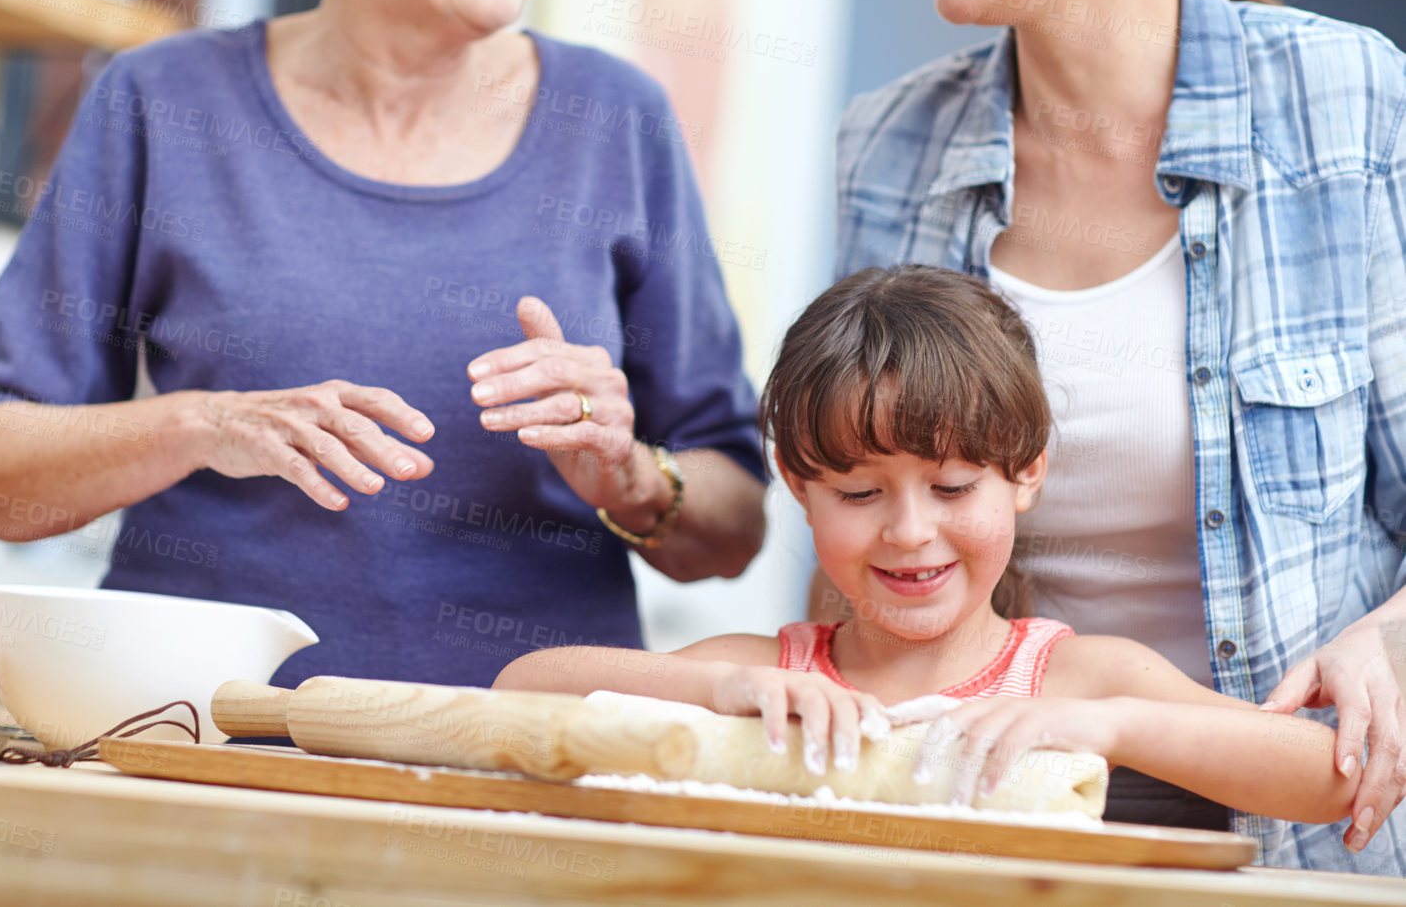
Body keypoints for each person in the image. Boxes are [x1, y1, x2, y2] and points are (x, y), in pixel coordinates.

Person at [0, 0, 767, 690]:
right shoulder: (164, 103)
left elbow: (733, 527)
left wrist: (635, 478)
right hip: (198, 747)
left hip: (528, 774)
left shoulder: (616, 122)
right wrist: (200, 426)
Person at [817, 0, 1406, 871]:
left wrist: (1392, 639)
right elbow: (854, 517)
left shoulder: (1349, 106)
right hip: (990, 834)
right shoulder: (889, 145)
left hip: (1306, 833)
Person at [496, 266, 1364, 829]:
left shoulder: (1079, 680)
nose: (910, 533)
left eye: (952, 489)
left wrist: (1113, 728)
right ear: (799, 489)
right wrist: (721, 685)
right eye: (859, 494)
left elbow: (1329, 776)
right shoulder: (775, 677)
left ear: (1026, 473)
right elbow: (520, 693)